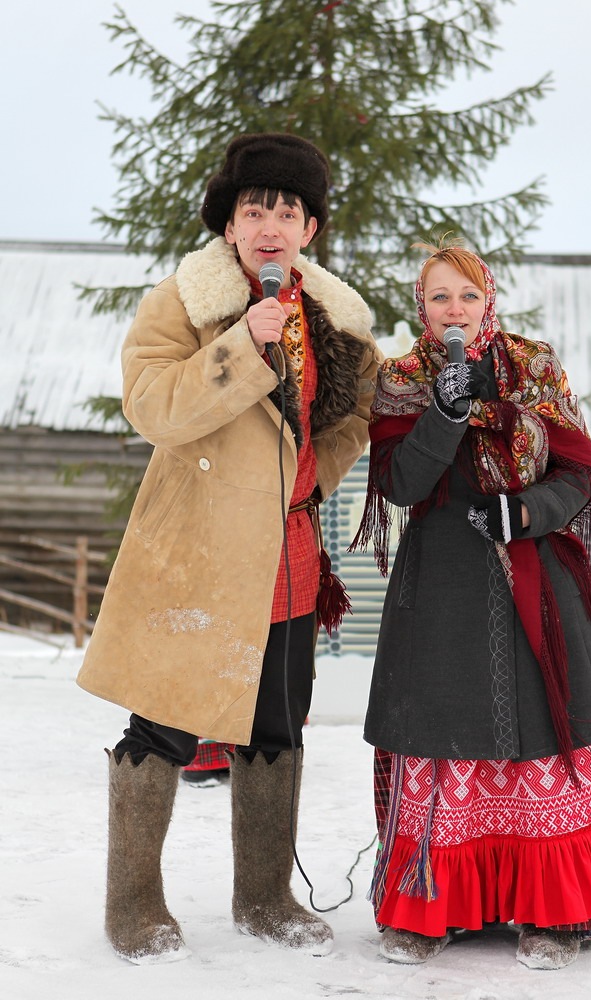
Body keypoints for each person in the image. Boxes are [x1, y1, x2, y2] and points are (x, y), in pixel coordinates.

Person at [77, 133, 383, 964]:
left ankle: (266, 898)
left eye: (288, 212)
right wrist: (242, 345)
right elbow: (152, 407)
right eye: (255, 211)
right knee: (165, 723)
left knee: (276, 725)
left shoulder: (339, 321)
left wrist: (311, 482)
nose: (270, 226)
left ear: (310, 229)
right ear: (230, 224)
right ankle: (133, 905)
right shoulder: (184, 303)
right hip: (200, 554)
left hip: (289, 552)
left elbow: (353, 419)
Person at [352, 236, 591, 970]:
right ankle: (430, 907)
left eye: (468, 295)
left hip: (532, 580)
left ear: (489, 301)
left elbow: (579, 471)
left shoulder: (534, 366)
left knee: (541, 738)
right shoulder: (402, 380)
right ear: (422, 307)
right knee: (438, 743)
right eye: (440, 297)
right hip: (440, 589)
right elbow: (399, 484)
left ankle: (555, 914)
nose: (455, 310)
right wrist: (443, 414)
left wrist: (526, 512)